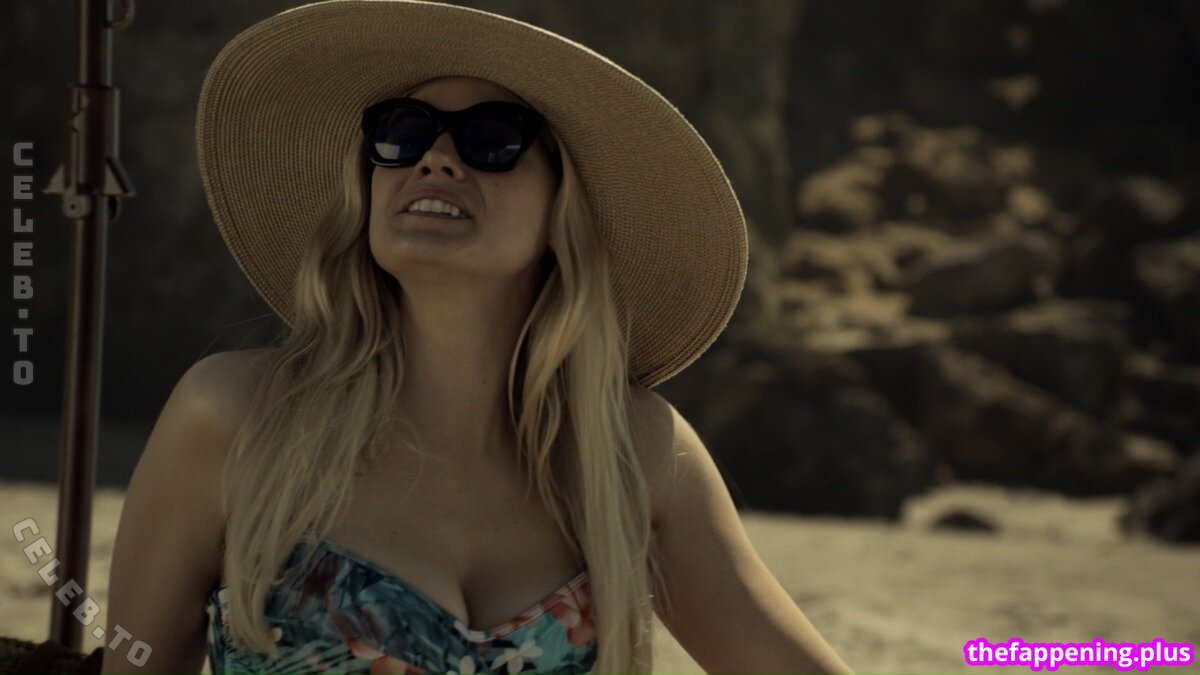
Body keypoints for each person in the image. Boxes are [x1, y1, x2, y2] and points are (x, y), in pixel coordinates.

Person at [101, 1, 855, 674]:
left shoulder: (633, 453)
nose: (435, 157)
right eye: (403, 133)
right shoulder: (235, 417)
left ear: (565, 207)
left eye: (491, 140)